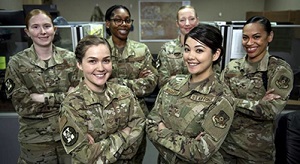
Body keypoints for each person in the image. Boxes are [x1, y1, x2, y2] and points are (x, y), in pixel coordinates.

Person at [146, 23, 235, 163]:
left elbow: (200, 152)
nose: (190, 56)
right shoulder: (173, 84)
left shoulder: (221, 98)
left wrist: (163, 131)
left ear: (215, 54)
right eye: (187, 49)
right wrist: (185, 145)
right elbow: (151, 124)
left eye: (199, 51)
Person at [4, 9, 80, 163]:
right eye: (35, 27)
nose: (42, 31)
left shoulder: (70, 59)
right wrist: (63, 97)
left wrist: (39, 97)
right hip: (35, 141)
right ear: (27, 32)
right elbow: (22, 105)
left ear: (55, 29)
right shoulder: (17, 63)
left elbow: (78, 100)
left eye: (47, 26)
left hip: (69, 135)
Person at [59, 35, 145, 163]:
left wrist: (101, 148)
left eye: (106, 60)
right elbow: (86, 156)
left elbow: (139, 130)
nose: (101, 68)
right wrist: (124, 133)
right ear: (79, 64)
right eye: (92, 61)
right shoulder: (72, 104)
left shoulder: (124, 93)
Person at [220, 16, 294, 163]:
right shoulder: (232, 67)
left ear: (270, 36)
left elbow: (269, 110)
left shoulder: (278, 70)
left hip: (256, 154)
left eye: (257, 37)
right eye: (245, 38)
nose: (249, 43)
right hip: (225, 149)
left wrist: (233, 102)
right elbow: (218, 101)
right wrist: (257, 103)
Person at [105, 4, 158, 116]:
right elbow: (94, 84)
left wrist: (113, 82)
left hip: (137, 112)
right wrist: (136, 81)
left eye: (127, 20)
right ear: (108, 23)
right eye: (118, 20)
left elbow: (151, 83)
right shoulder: (99, 49)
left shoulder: (141, 50)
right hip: (107, 112)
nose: (124, 24)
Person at [156, 5, 199, 89]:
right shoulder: (167, 49)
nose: (187, 23)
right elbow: (162, 83)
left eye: (191, 19)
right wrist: (195, 79)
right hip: (173, 99)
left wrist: (175, 78)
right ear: (177, 23)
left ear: (197, 21)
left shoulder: (207, 48)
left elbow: (212, 79)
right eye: (182, 20)